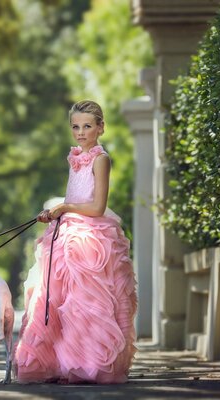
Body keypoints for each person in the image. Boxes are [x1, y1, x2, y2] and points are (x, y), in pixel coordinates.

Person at [14, 100, 137, 384]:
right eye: (75, 127)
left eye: (87, 126)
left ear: (100, 128)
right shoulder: (74, 158)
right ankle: (62, 362)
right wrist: (54, 213)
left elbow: (96, 207)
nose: (81, 132)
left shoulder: (100, 159)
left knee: (85, 302)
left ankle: (88, 363)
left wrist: (64, 208)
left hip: (91, 237)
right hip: (67, 231)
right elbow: (74, 199)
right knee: (57, 300)